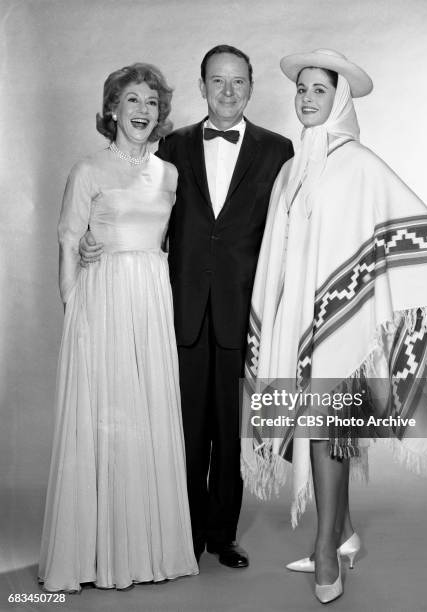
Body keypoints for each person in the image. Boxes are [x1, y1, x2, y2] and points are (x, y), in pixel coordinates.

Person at [241, 49, 427, 603]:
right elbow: (280, 252)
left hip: (339, 321)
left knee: (324, 433)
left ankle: (324, 553)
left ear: (338, 100)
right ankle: (345, 535)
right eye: (302, 89)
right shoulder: (293, 167)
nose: (307, 98)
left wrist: (367, 294)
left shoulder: (360, 163)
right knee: (306, 434)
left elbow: (410, 223)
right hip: (296, 319)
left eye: (319, 90)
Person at [79, 45, 294, 568]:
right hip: (176, 311)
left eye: (238, 82)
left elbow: (294, 228)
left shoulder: (278, 150)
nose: (227, 91)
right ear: (201, 87)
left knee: (232, 429)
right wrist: (92, 238)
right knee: (184, 430)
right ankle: (184, 533)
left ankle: (222, 536)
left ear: (251, 86)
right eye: (217, 81)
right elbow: (133, 205)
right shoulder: (168, 145)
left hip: (244, 314)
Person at [38, 63, 198, 593]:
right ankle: (96, 554)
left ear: (161, 113)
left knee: (145, 415)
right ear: (112, 109)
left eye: (151, 102)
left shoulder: (170, 174)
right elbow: (68, 242)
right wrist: (74, 309)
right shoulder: (89, 169)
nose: (142, 110)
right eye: (132, 100)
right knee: (105, 418)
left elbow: (166, 244)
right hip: (101, 304)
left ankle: (147, 549)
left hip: (151, 303)